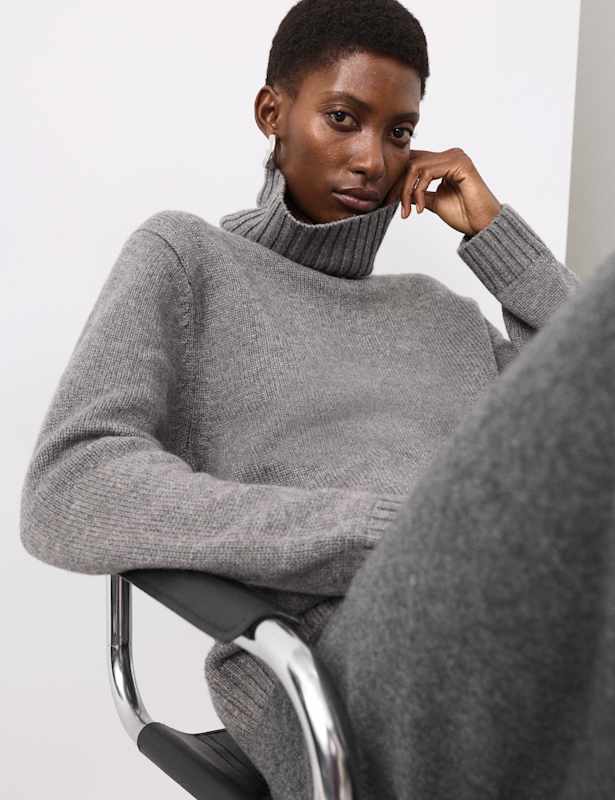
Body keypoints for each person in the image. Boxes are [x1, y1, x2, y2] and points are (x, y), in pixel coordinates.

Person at [19, 0, 615, 797]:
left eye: (399, 132)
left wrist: (494, 235)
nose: (372, 158)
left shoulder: (441, 315)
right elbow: (69, 488)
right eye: (342, 118)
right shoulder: (188, 260)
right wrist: (372, 532)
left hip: (516, 620)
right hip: (342, 665)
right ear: (272, 113)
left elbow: (583, 427)